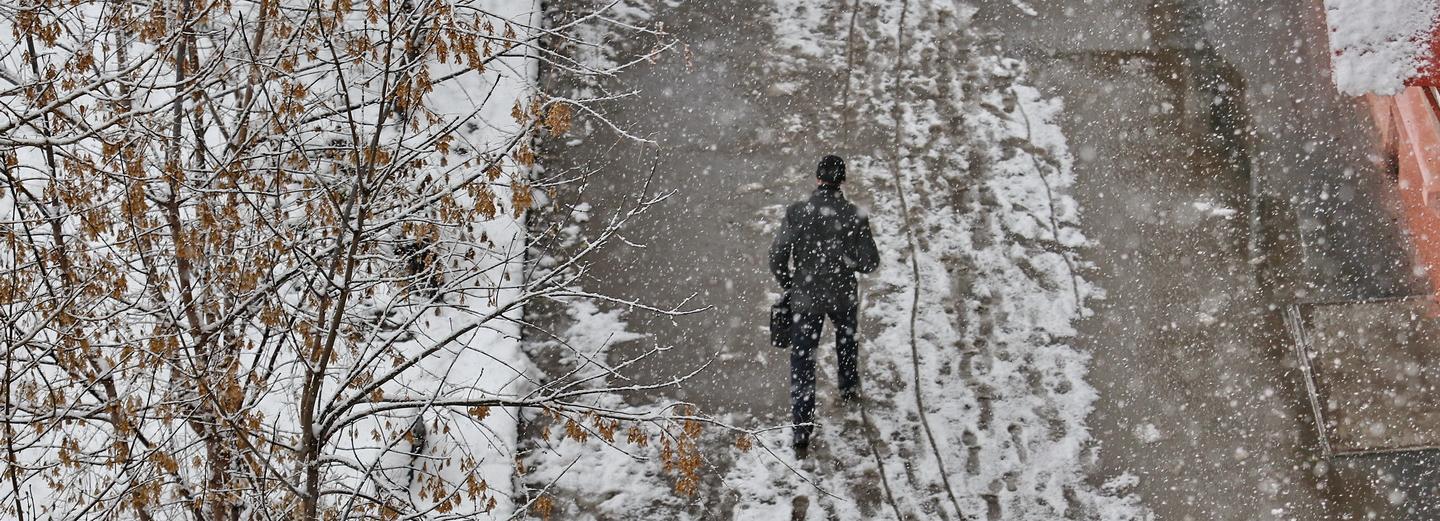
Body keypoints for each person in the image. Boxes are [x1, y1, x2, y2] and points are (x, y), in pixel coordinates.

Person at [769, 154, 881, 459]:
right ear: (842, 181)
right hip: (843, 296)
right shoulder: (855, 215)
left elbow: (777, 255)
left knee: (802, 362)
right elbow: (871, 262)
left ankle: (802, 430)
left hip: (806, 299)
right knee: (847, 344)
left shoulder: (797, 212)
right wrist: (847, 261)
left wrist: (791, 283)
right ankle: (848, 389)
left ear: (818, 178)